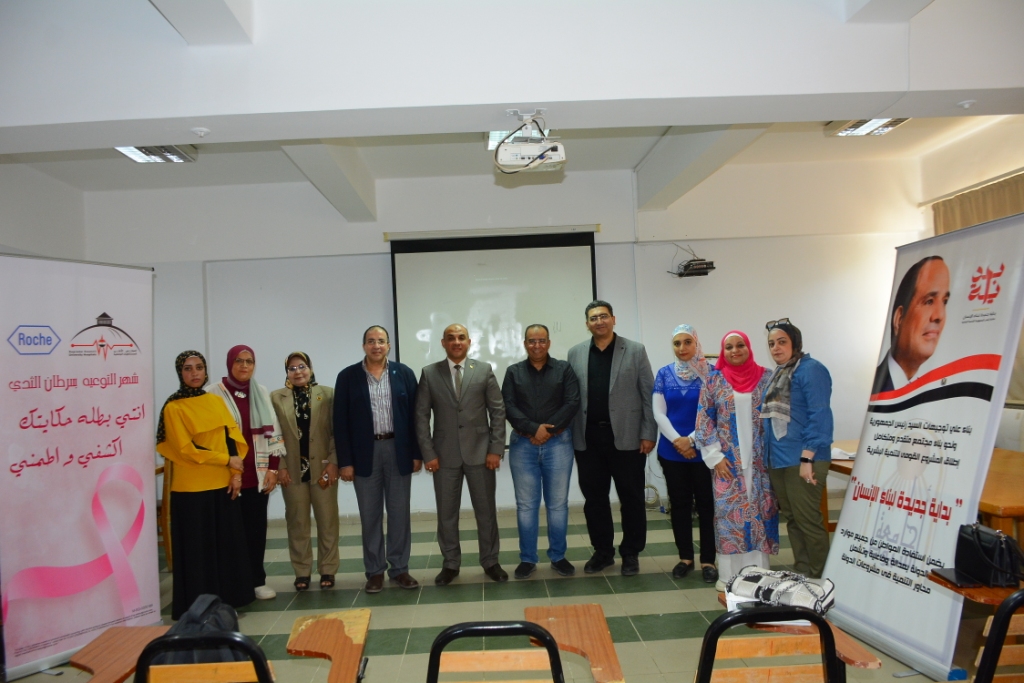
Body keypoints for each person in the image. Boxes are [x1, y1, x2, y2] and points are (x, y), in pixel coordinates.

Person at [156, 350, 254, 619]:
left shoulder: (215, 401)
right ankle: (199, 608)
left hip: (222, 485)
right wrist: (227, 461)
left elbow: (230, 437)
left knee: (225, 547)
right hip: (191, 490)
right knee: (197, 552)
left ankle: (226, 603)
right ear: (180, 373)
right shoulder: (173, 407)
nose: (194, 373)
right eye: (188, 368)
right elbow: (186, 449)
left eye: (199, 367)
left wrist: (235, 473)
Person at [567, 301, 657, 577]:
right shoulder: (575, 353)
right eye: (593, 318)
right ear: (587, 324)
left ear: (613, 319)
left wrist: (648, 432)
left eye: (603, 316)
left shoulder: (635, 350)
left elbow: (648, 394)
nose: (599, 321)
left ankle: (631, 553)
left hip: (628, 438)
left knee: (631, 498)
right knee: (594, 499)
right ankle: (603, 552)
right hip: (588, 439)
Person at [415, 323, 508, 585]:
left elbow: (498, 411)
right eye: (451, 338)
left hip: (481, 454)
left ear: (469, 342)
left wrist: (496, 449)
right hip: (443, 456)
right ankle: (450, 564)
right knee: (447, 514)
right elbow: (421, 416)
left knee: (486, 512)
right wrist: (428, 453)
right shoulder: (429, 373)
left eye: (461, 337)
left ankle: (490, 561)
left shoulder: (483, 370)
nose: (456, 342)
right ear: (443, 343)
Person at [335, 326, 422, 593]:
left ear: (388, 346)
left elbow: (416, 416)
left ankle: (400, 568)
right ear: (364, 346)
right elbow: (340, 422)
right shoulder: (348, 376)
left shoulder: (404, 373)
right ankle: (374, 571)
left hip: (398, 450)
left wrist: (417, 453)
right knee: (370, 515)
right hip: (364, 453)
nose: (376, 346)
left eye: (381, 341)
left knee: (399, 513)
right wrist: (345, 461)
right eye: (371, 341)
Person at [695, 330, 779, 590]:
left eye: (740, 345)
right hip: (727, 463)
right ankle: (729, 577)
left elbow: (779, 416)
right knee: (728, 518)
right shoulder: (714, 380)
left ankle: (759, 575)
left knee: (759, 514)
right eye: (729, 347)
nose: (735, 351)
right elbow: (704, 421)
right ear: (723, 351)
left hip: (760, 463)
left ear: (748, 347)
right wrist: (715, 457)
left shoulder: (767, 378)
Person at [501, 324, 581, 579]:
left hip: (559, 444)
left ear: (549, 343)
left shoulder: (563, 369)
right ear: (525, 343)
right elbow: (508, 406)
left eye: (542, 340)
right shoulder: (513, 372)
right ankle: (528, 558)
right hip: (523, 445)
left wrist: (547, 430)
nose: (537, 345)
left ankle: (558, 556)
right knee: (526, 506)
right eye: (532, 341)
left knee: (557, 505)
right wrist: (533, 429)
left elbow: (572, 402)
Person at [207, 345, 286, 601]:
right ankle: (232, 585)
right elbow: (212, 438)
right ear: (230, 363)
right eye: (239, 361)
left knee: (255, 532)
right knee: (229, 535)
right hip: (227, 477)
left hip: (257, 475)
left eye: (249, 361)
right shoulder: (213, 393)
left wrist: (273, 469)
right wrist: (231, 470)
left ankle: (256, 581)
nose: (244, 366)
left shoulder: (260, 392)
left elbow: (274, 431)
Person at [762, 320, 834, 578]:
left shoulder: (811, 370)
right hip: (780, 459)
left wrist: (808, 457)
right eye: (772, 343)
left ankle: (821, 577)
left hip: (803, 459)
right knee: (793, 519)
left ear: (796, 343)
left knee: (808, 520)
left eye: (782, 342)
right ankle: (803, 571)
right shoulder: (780, 373)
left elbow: (820, 414)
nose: (776, 348)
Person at [652, 324, 718, 584]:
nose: (682, 348)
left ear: (696, 343)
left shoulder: (711, 373)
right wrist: (678, 441)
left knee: (706, 505)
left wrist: (690, 440)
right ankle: (685, 558)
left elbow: (713, 413)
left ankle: (708, 560)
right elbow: (659, 413)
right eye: (677, 343)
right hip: (671, 452)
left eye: (687, 342)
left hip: (704, 451)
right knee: (679, 505)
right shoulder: (664, 374)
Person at [270, 352, 340, 592]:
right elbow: (273, 435)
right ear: (287, 372)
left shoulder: (328, 394)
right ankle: (302, 572)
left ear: (310, 368)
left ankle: (328, 569)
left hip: (323, 469)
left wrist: (333, 462)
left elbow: (337, 432)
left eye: (302, 366)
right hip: (292, 472)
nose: (298, 372)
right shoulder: (276, 398)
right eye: (292, 368)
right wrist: (279, 467)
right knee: (297, 522)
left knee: (328, 521)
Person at [872, 256, 950, 394]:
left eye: (944, 301)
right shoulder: (873, 388)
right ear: (899, 319)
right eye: (929, 301)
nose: (939, 315)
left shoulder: (933, 391)